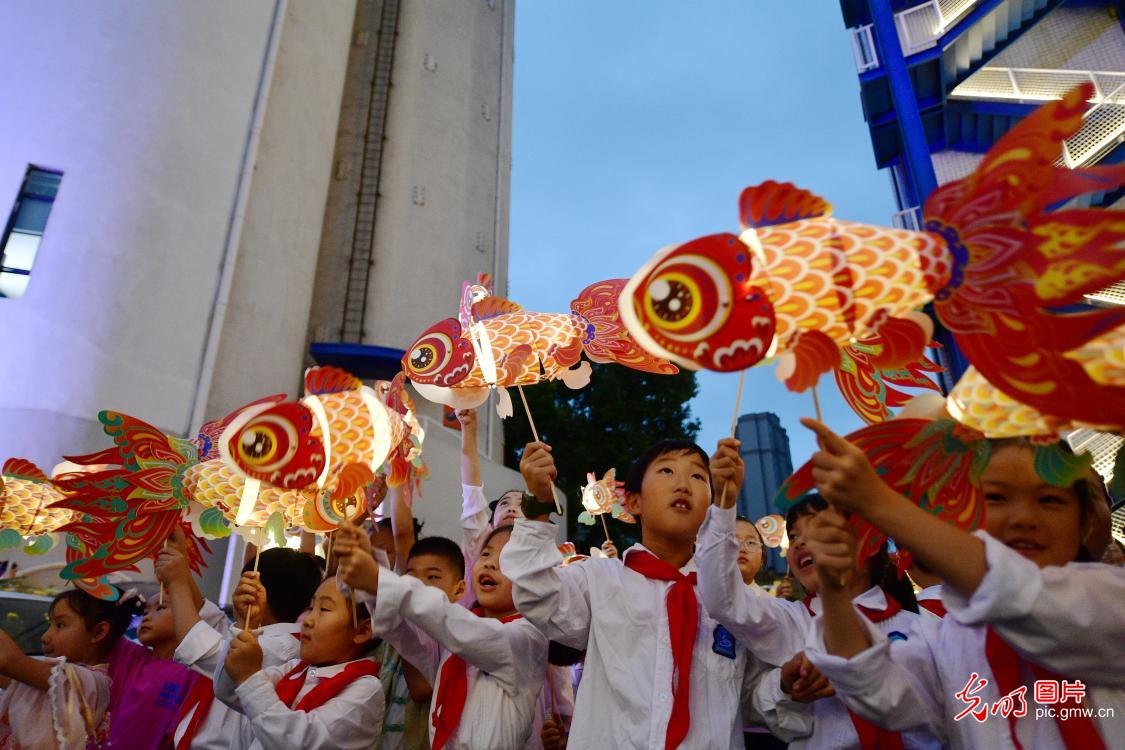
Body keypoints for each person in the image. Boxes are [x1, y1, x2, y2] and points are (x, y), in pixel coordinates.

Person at [800, 421, 1125, 749]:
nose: (1024, 517)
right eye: (996, 497)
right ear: (964, 513)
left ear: (1085, 519)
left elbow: (1028, 599)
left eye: (1050, 500)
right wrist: (834, 589)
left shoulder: (1111, 596)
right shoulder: (943, 637)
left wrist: (877, 502)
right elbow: (877, 690)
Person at [502, 437, 810, 748]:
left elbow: (750, 698)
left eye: (698, 477)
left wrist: (783, 684)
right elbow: (535, 593)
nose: (683, 485)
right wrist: (539, 502)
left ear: (712, 508)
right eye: (666, 471)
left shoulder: (735, 603)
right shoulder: (598, 579)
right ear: (634, 502)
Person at [696, 491, 935, 749]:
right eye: (794, 535)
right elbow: (722, 597)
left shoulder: (927, 629)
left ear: (869, 542)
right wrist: (723, 506)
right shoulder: (791, 620)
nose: (799, 543)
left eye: (819, 529)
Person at [338, 520, 548, 750]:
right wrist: (371, 578)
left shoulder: (528, 638)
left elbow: (462, 628)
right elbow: (401, 632)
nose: (491, 564)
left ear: (534, 581)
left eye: (509, 558)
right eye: (486, 554)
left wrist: (380, 580)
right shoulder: (454, 637)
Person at [159, 541, 322, 750]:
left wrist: (176, 581)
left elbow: (202, 650)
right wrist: (181, 566)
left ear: (256, 595)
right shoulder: (264, 636)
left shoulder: (283, 648)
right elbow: (204, 614)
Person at [215, 576, 384, 750]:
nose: (308, 621)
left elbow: (298, 741)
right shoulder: (295, 669)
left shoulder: (365, 689)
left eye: (324, 609)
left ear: (362, 631)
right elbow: (229, 692)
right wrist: (245, 625)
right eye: (311, 608)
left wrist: (250, 677)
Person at [0, 587, 124, 749]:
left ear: (98, 632)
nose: (44, 637)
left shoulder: (94, 682)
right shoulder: (51, 678)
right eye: (49, 624)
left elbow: (10, 661)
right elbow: (11, 676)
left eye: (59, 625)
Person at [379, 535, 468, 750]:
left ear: (459, 589)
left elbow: (422, 689)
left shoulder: (455, 633)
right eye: (411, 577)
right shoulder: (400, 622)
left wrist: (401, 629)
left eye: (432, 577)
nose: (418, 585)